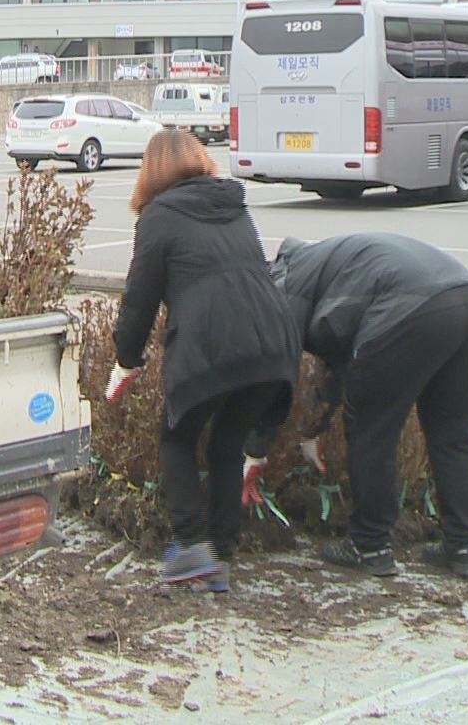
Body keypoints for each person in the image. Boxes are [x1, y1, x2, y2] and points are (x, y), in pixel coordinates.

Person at [107, 128, 300, 591]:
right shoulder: (234, 206)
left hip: (211, 345)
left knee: (176, 438)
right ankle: (221, 558)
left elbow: (140, 300)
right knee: (225, 446)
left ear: (150, 171)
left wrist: (125, 361)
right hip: (272, 342)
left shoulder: (157, 217)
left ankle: (191, 545)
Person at [268, 233, 468, 579]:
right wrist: (316, 428)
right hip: (467, 301)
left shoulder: (289, 282)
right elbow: (342, 358)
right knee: (452, 432)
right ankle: (466, 546)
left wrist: (257, 447)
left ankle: (369, 545)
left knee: (372, 430)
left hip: (410, 308)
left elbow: (279, 365)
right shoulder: (330, 266)